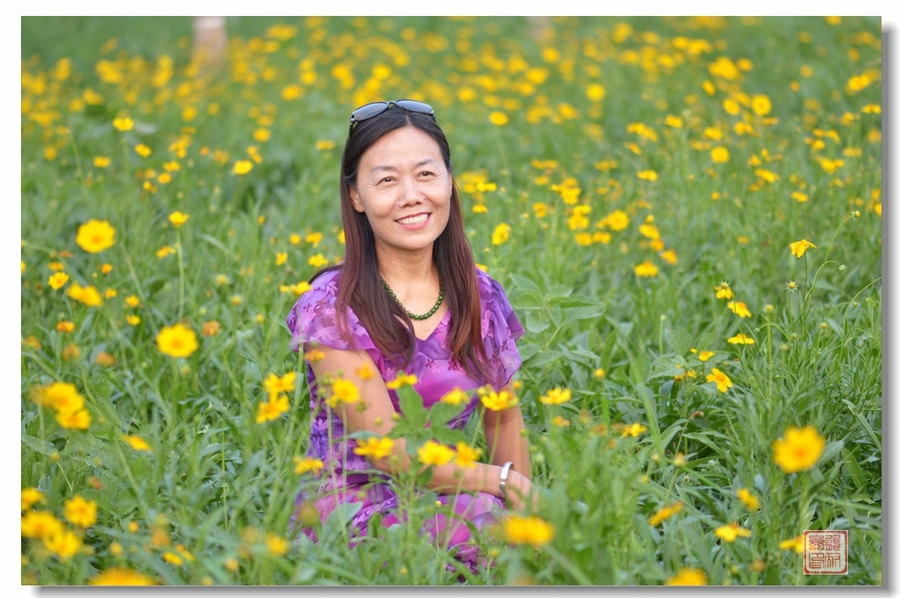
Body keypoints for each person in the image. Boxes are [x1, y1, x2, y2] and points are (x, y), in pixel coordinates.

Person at [286, 99, 535, 572]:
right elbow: (392, 454)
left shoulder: (479, 294)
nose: (411, 195)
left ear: (449, 180)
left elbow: (504, 419)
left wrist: (526, 514)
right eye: (385, 180)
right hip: (352, 507)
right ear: (356, 196)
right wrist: (502, 484)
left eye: (425, 174)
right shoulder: (332, 308)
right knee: (483, 524)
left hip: (455, 493)